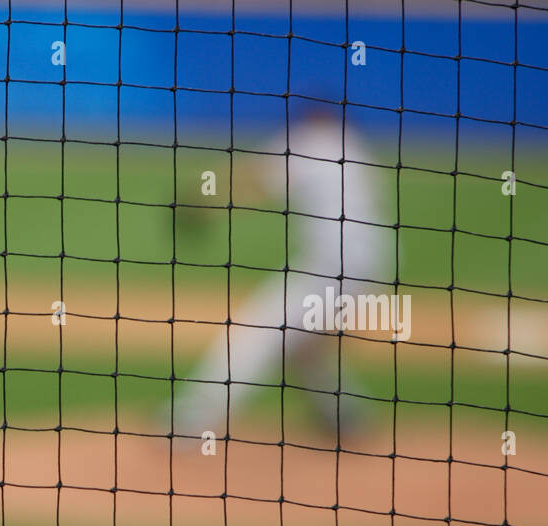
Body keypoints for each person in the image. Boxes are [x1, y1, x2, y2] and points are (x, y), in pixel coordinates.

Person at [168, 101, 397, 443]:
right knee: (305, 345)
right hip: (371, 268)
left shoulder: (314, 142)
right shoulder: (353, 146)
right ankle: (344, 418)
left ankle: (192, 420)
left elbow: (253, 177)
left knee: (256, 330)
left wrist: (200, 200)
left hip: (332, 270)